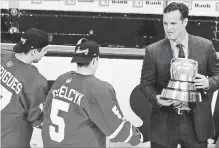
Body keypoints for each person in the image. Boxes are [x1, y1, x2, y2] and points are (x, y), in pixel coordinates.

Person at [140, 2, 219, 148]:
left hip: (196, 125)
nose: (168, 28)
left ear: (185, 22)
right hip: (164, 123)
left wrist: (209, 83)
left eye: (173, 23)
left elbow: (217, 75)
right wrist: (157, 99)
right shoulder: (153, 50)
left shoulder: (206, 46)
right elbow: (145, 84)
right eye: (165, 23)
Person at [41, 38, 143, 148]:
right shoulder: (98, 89)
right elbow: (117, 132)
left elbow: (44, 114)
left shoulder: (61, 80)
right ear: (95, 60)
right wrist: (139, 137)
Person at [1, 28, 49, 147]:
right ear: (33, 52)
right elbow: (38, 119)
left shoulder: (2, 56)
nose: (45, 53)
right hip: (11, 142)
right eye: (44, 50)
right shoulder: (37, 82)